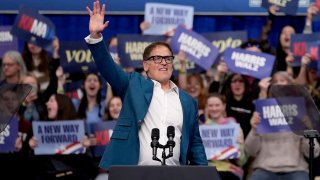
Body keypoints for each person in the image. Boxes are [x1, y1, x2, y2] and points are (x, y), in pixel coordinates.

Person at [85, 0, 207, 169]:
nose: (164, 63)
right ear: (145, 65)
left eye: (168, 59)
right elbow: (109, 68)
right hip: (134, 173)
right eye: (157, 58)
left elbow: (195, 145)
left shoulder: (188, 101)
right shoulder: (133, 85)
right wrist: (96, 38)